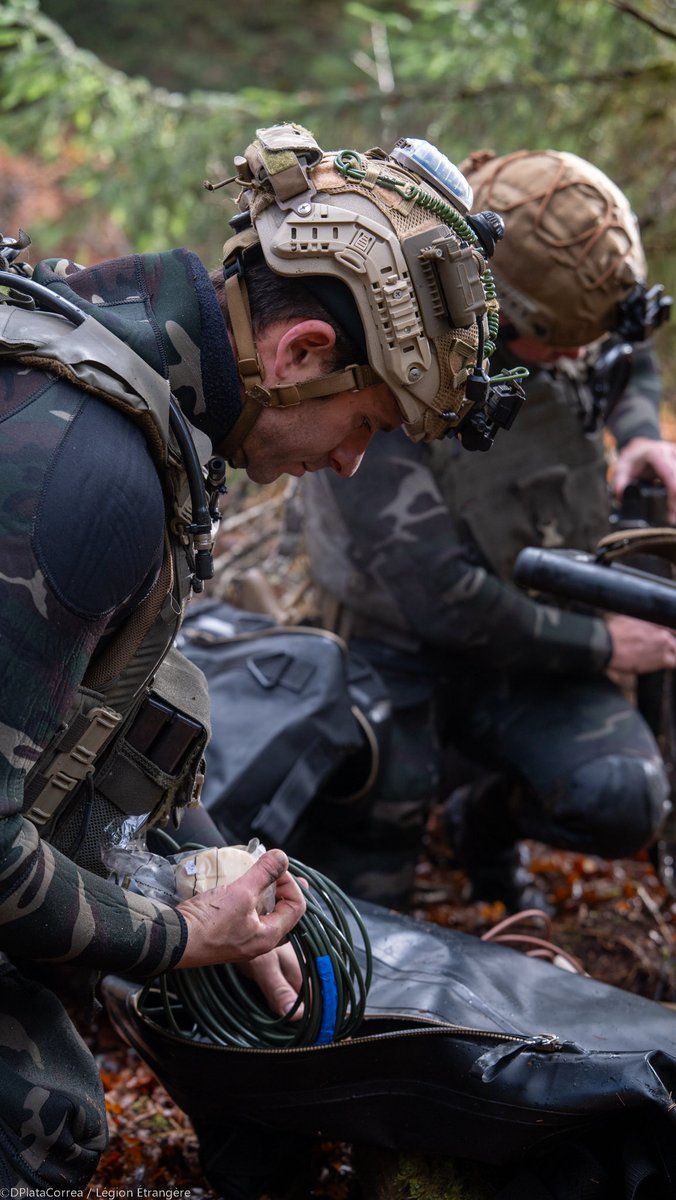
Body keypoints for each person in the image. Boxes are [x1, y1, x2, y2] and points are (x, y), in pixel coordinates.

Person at [0, 124, 519, 1189]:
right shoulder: (93, 473)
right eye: (366, 422)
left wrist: (207, 857)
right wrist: (181, 934)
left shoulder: (99, 343)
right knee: (39, 1119)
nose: (351, 460)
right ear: (300, 356)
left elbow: (95, 710)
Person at [297, 148, 675, 912]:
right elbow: (440, 596)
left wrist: (640, 433)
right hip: (395, 654)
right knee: (367, 903)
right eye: (561, 342)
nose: (577, 356)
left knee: (625, 796)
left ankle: (484, 821)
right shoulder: (391, 370)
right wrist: (605, 646)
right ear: (500, 308)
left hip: (526, 645)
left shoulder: (564, 313)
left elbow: (626, 353)